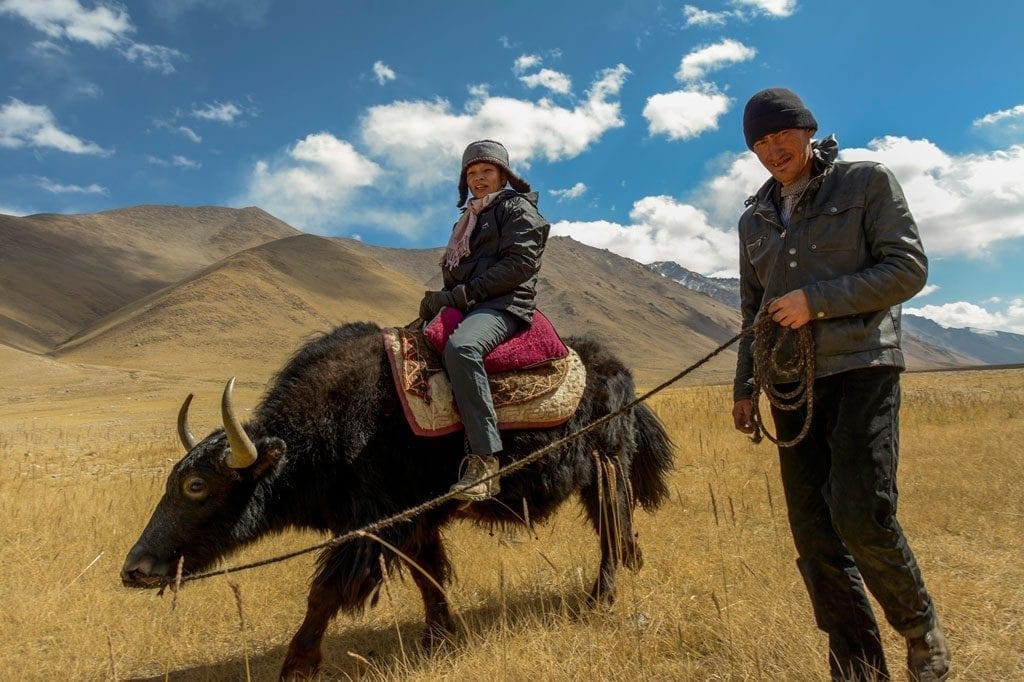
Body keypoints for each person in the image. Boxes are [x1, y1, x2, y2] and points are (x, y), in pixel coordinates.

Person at [730, 88, 951, 681]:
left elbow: (907, 268)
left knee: (860, 513)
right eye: (760, 143)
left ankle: (919, 628)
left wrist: (817, 302)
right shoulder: (753, 218)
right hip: (790, 383)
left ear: (808, 130)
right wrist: (744, 385)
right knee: (815, 536)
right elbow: (752, 308)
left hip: (862, 369)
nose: (773, 150)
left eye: (782, 136)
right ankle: (857, 666)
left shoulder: (865, 182)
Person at [419, 139, 550, 501]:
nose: (479, 179)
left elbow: (519, 265)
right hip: (470, 304)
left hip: (503, 306)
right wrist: (441, 300)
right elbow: (456, 273)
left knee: (462, 349)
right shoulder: (468, 219)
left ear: (503, 175)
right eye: (472, 173)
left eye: (486, 171)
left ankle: (485, 462)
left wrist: (461, 296)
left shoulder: (518, 210)